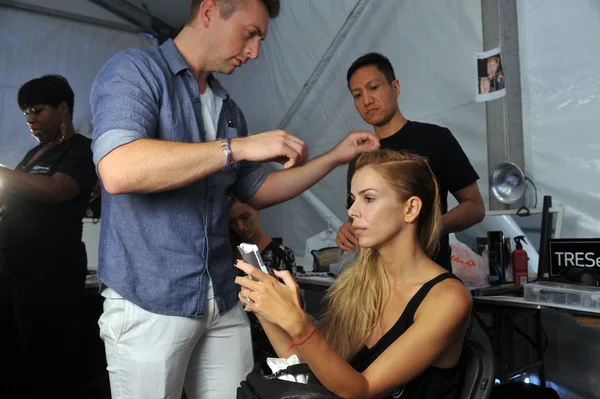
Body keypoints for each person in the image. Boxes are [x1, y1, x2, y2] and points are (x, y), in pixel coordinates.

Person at [90, 0, 379, 397]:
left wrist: (335, 157)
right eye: (250, 33)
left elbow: (258, 191)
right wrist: (236, 148)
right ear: (209, 12)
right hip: (149, 301)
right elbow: (118, 169)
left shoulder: (227, 107)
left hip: (221, 297)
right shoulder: (134, 71)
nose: (255, 51)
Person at [236, 149, 473, 399]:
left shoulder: (448, 299)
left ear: (411, 208)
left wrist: (297, 321)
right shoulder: (360, 283)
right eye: (353, 199)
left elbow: (362, 389)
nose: (352, 211)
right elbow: (309, 365)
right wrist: (264, 308)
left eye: (368, 199)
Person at [336, 53, 485, 271]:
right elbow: (362, 216)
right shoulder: (360, 156)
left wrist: (428, 226)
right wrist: (348, 230)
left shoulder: (436, 139)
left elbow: (475, 207)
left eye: (374, 88)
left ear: (395, 87)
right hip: (377, 281)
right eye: (357, 95)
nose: (367, 100)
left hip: (429, 277)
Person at [0, 75, 97, 399]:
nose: (30, 120)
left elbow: (58, 190)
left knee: (47, 360)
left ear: (63, 108)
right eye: (26, 112)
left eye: (37, 110)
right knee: (14, 358)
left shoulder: (81, 149)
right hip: (13, 266)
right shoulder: (34, 154)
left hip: (49, 269)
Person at [229, 196, 296, 371]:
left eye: (245, 217)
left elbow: (293, 304)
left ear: (257, 210)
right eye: (233, 222)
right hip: (232, 333)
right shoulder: (227, 253)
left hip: (270, 335)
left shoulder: (281, 254)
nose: (241, 227)